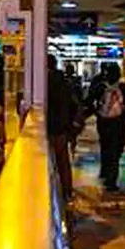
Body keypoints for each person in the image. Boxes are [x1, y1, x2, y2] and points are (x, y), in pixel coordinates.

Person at [85, 62, 125, 192]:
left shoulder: (100, 87)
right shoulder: (124, 88)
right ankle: (111, 178)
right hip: (118, 123)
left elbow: (89, 102)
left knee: (106, 146)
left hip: (103, 122)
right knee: (116, 148)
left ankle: (107, 171)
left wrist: (95, 113)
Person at [47, 57, 80, 201]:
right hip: (62, 128)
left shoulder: (43, 83)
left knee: (47, 163)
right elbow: (74, 105)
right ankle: (67, 193)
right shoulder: (65, 84)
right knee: (63, 162)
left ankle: (49, 193)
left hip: (48, 128)